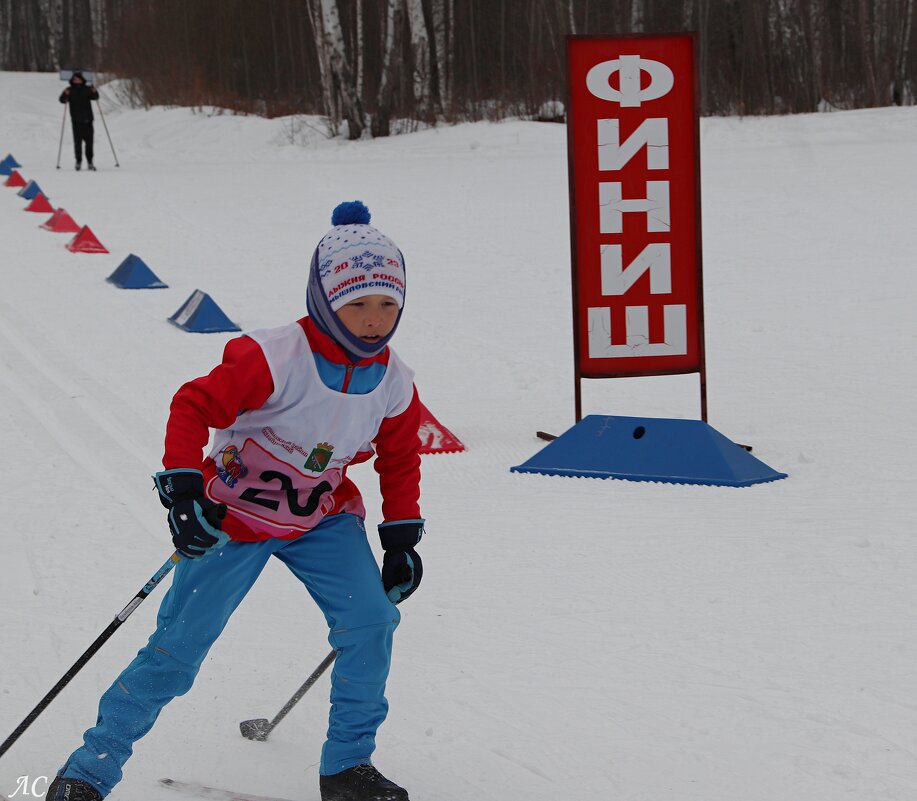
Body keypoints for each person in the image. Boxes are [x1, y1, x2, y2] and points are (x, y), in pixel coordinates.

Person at [45, 201, 425, 801]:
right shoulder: (275, 356)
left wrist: (400, 538)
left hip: (320, 520)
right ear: (325, 300)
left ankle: (348, 767)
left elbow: (400, 458)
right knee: (179, 648)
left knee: (372, 622)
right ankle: (89, 771)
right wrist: (183, 488)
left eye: (387, 304)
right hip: (232, 518)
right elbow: (192, 404)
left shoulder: (395, 380)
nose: (374, 320)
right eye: (357, 304)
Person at [59, 71, 99, 171]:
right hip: (76, 121)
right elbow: (62, 100)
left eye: (78, 79)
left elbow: (95, 97)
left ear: (82, 80)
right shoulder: (69, 90)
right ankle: (78, 161)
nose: (76, 80)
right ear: (72, 80)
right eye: (75, 79)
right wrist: (65, 94)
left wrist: (94, 91)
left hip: (88, 120)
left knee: (89, 143)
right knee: (77, 143)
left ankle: (90, 161)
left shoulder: (87, 89)